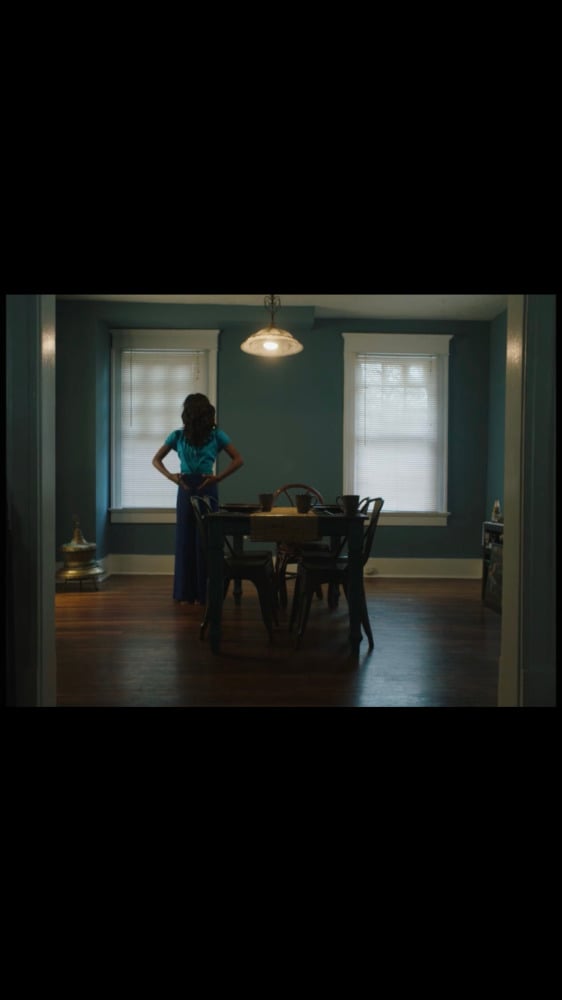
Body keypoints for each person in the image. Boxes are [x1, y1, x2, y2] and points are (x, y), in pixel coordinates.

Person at [152, 393, 243, 604]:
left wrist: (217, 478)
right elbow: (156, 460)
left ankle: (203, 593)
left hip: (205, 488)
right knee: (187, 540)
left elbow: (239, 460)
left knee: (206, 541)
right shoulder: (177, 436)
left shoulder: (217, 435)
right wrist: (172, 477)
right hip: (188, 488)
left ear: (188, 413)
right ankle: (188, 593)